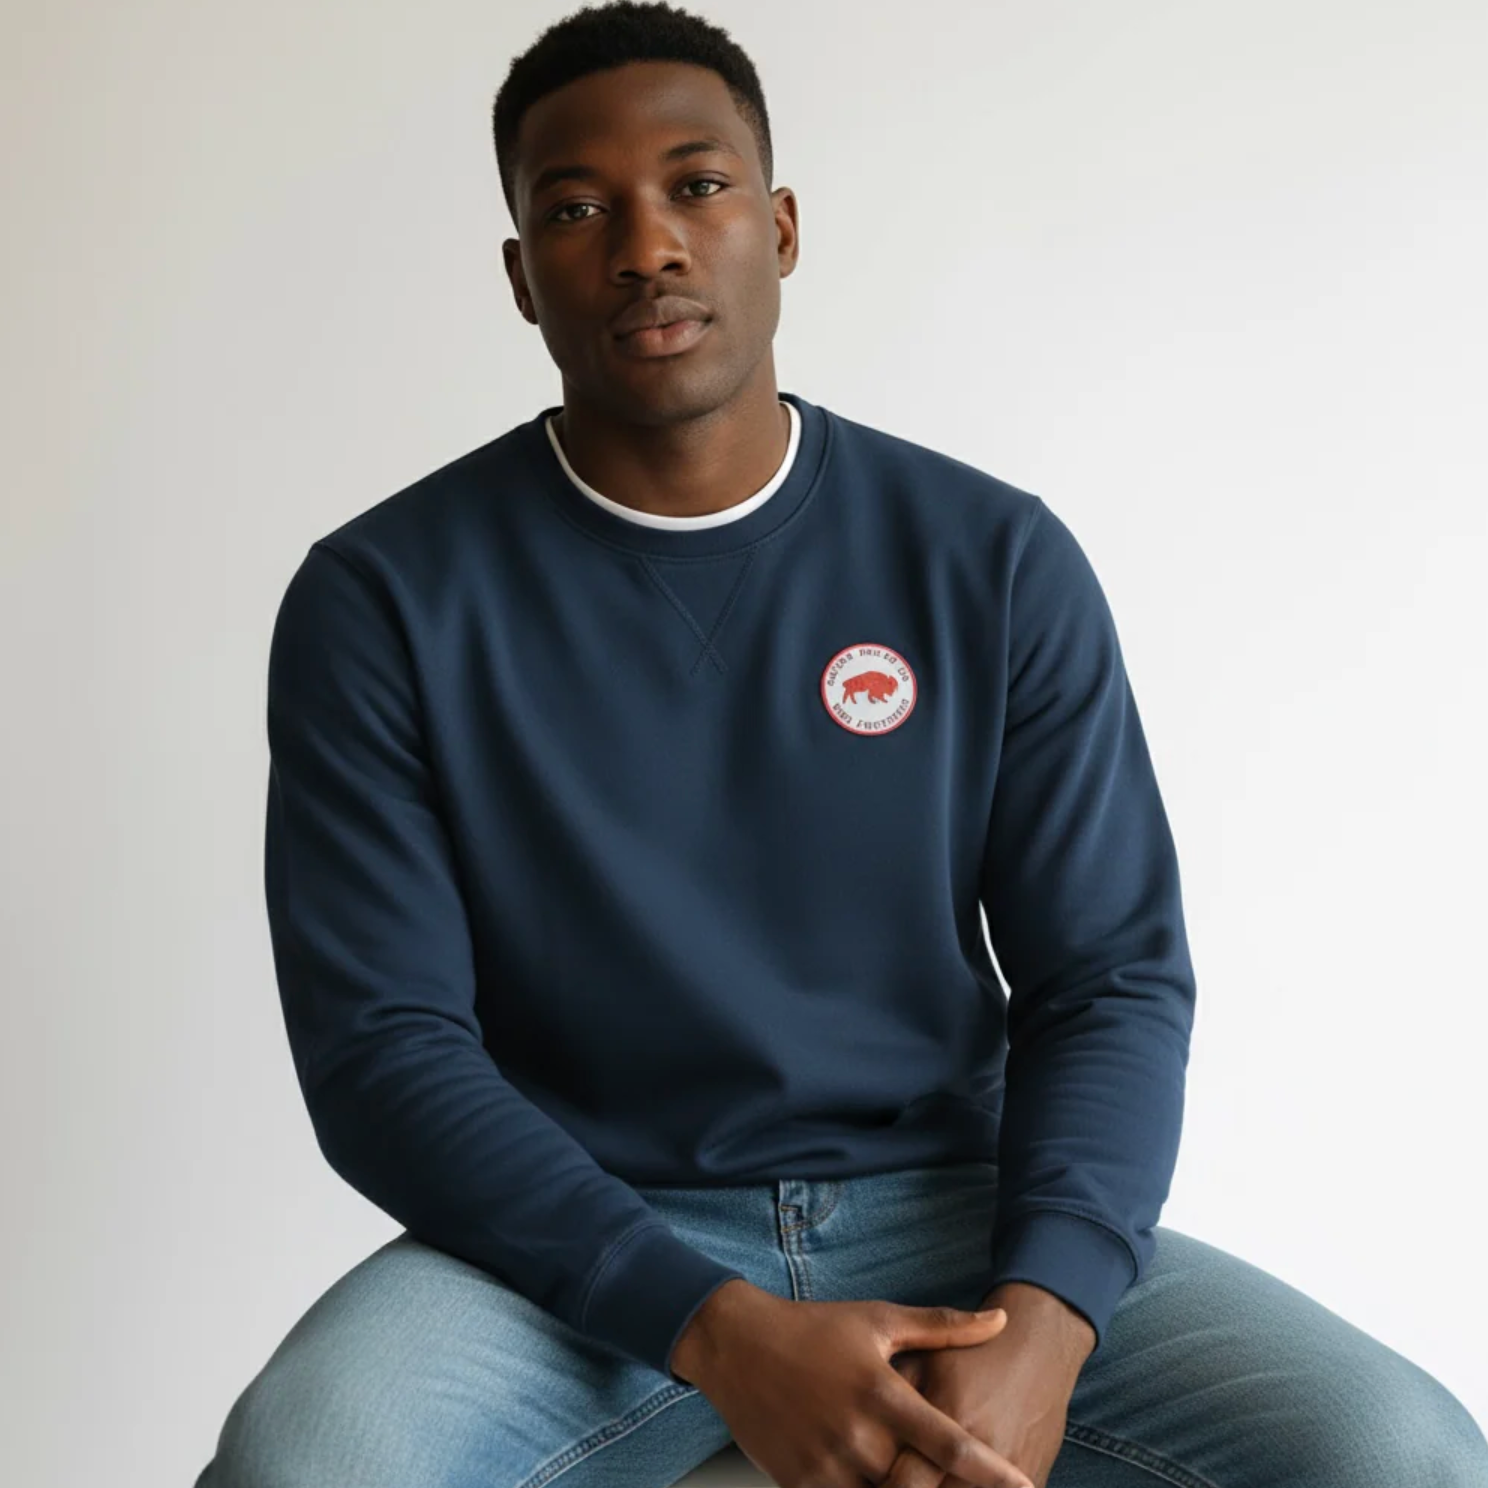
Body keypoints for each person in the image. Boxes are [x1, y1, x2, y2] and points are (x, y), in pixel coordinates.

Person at [193, 4, 1488, 1485]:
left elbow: (1109, 976)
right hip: (577, 1252)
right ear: (519, 277)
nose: (647, 244)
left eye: (699, 184)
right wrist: (708, 1324)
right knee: (300, 1466)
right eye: (575, 207)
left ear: (783, 226)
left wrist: (1048, 1321)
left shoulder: (988, 558)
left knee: (1403, 1452)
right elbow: (382, 1050)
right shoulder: (386, 598)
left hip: (955, 1208)